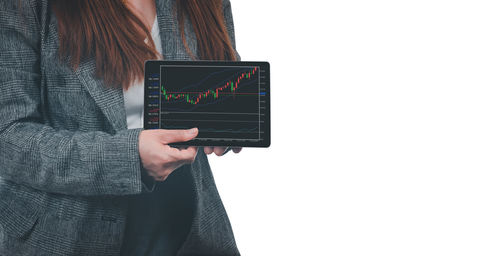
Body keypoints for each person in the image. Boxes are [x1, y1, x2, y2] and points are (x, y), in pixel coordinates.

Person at [0, 0, 242, 255]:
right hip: (64, 230)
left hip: (185, 226)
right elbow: (8, 137)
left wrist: (229, 123)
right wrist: (129, 157)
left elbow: (219, 78)